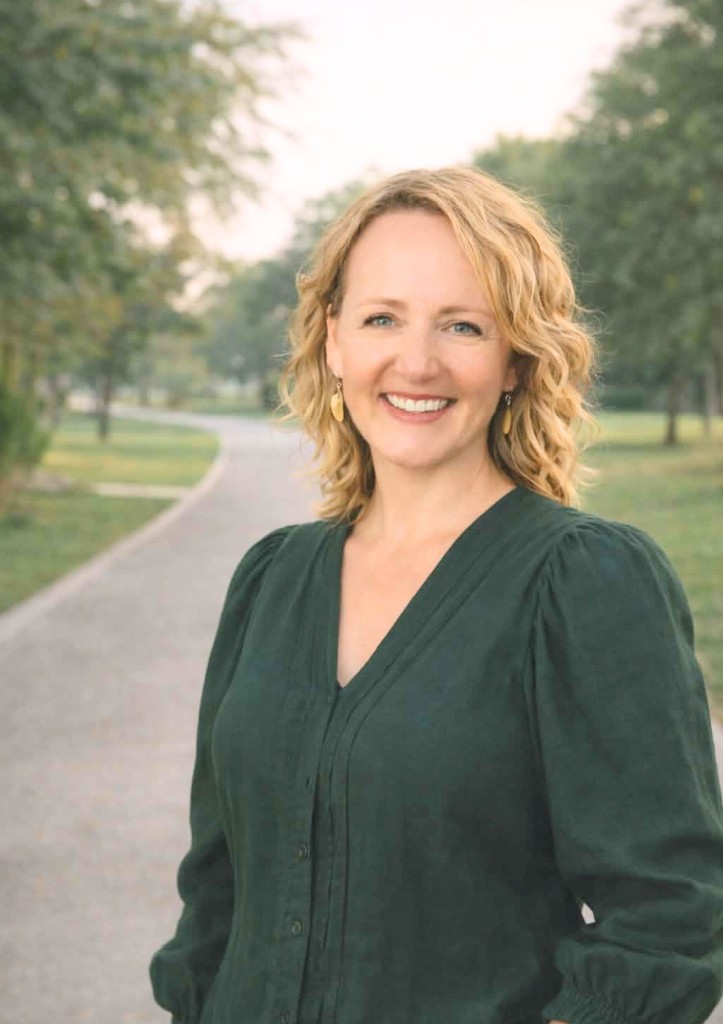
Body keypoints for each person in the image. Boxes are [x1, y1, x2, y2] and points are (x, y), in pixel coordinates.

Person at [149, 166, 723, 1024]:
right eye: (382, 317)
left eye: (462, 325)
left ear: (517, 361)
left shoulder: (583, 584)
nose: (414, 362)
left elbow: (668, 921)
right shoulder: (271, 579)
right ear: (332, 338)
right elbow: (217, 889)